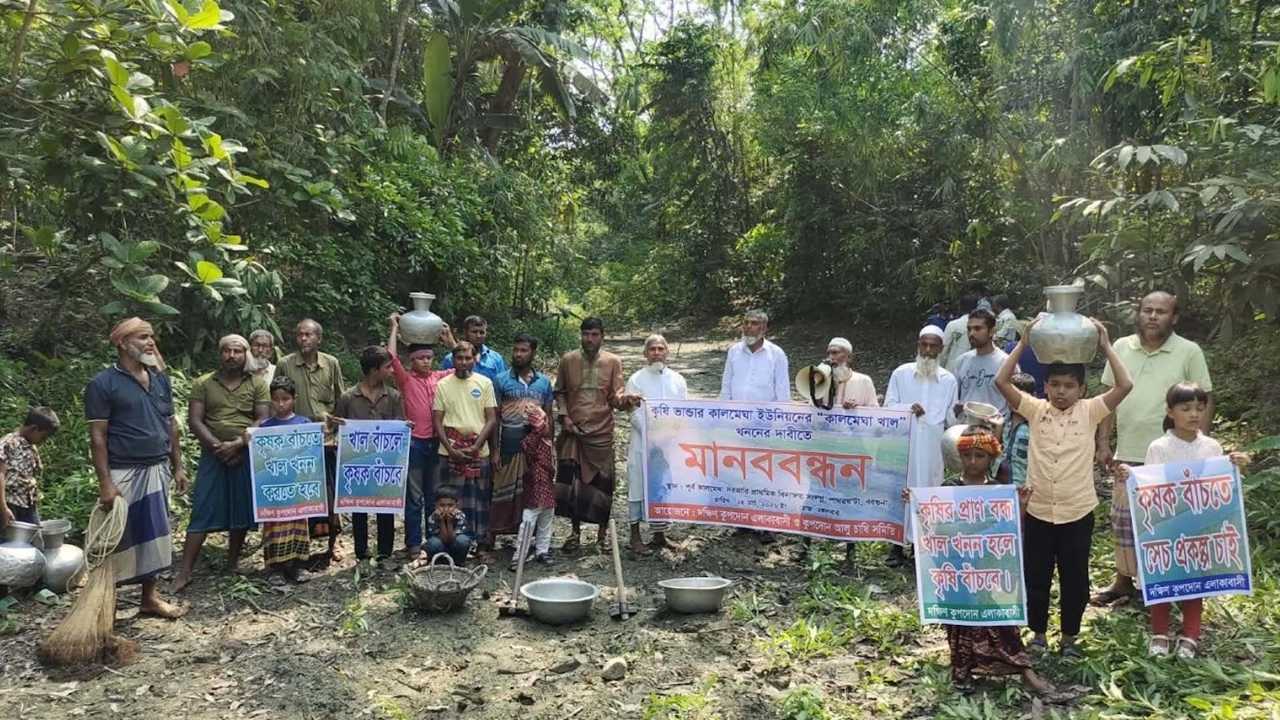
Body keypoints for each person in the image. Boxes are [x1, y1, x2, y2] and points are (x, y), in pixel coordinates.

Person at [994, 315, 1132, 658]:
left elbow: (1125, 386)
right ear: (1045, 387)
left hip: (1077, 511)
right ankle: (1038, 635)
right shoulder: (1035, 410)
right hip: (1039, 510)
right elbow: (1001, 380)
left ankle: (1069, 638)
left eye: (1069, 386)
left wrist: (1105, 345)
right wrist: (1024, 344)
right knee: (1037, 576)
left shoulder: (1090, 411)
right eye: (1054, 384)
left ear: (1081, 389)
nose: (1061, 391)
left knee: (1075, 579)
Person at [904, 427, 1049, 694]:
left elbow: (1010, 531)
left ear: (991, 458)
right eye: (967, 455)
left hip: (987, 569)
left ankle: (1024, 669)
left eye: (979, 456)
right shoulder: (948, 488)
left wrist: (1023, 506)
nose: (972, 462)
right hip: (956, 569)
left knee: (1001, 620)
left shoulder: (997, 490)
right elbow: (936, 528)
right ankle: (964, 672)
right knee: (960, 623)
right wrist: (917, 506)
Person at [1092, 291, 1214, 607]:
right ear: (1139, 313)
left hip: (1175, 454)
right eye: (1147, 310)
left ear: (1173, 318)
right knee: (1124, 520)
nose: (1153, 316)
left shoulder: (1189, 351)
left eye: (1161, 311)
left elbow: (1204, 399)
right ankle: (1123, 582)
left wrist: (1201, 449)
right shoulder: (1121, 347)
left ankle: (1165, 583)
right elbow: (1109, 397)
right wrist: (1104, 443)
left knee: (1168, 520)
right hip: (1129, 452)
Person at [1114, 382, 1251, 659]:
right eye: (1185, 408)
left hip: (1199, 526)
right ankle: (1160, 633)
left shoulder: (1212, 447)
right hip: (1167, 525)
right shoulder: (1159, 447)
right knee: (1163, 576)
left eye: (1200, 408)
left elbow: (1221, 486)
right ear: (1170, 411)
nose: (1194, 414)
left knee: (1194, 579)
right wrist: (1130, 476)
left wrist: (1236, 464)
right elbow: (1149, 487)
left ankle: (1190, 634)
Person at [85, 317, 188, 618]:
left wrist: (178, 466)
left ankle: (150, 598)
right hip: (122, 471)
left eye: (151, 336)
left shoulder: (160, 379)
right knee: (115, 538)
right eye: (143, 337)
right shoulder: (103, 384)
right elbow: (98, 436)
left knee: (154, 534)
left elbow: (172, 425)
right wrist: (105, 483)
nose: (151, 342)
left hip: (157, 467)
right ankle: (106, 605)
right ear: (123, 343)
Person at [173, 334, 269, 592]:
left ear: (245, 355)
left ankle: (233, 562)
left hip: (244, 452)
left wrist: (238, 443)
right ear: (220, 354)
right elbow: (195, 420)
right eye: (227, 351)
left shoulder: (257, 384)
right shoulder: (204, 383)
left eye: (237, 351)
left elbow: (261, 419)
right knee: (202, 508)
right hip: (212, 454)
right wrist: (219, 447)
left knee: (241, 507)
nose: (232, 356)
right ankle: (185, 572)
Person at [555, 317, 640, 550]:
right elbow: (559, 392)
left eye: (594, 334)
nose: (589, 339)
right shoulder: (568, 360)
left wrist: (626, 400)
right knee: (573, 486)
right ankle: (574, 535)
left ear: (602, 335)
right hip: (573, 432)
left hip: (601, 433)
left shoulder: (613, 361)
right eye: (585, 334)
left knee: (602, 485)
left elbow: (616, 396)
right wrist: (565, 416)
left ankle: (602, 537)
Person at [884, 326, 959, 566]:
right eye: (923, 345)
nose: (927, 351)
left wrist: (957, 412)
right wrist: (908, 408)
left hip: (932, 447)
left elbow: (950, 419)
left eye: (933, 346)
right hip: (905, 444)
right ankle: (895, 547)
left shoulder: (948, 380)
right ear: (918, 345)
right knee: (900, 491)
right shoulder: (901, 373)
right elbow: (888, 406)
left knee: (929, 492)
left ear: (941, 349)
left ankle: (920, 547)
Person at [276, 319, 346, 561]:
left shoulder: (331, 364)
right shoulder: (285, 364)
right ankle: (299, 546)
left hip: (326, 440)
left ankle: (333, 544)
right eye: (299, 334)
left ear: (319, 339)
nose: (303, 338)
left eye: (308, 334)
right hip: (298, 443)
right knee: (302, 494)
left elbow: (340, 400)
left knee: (330, 494)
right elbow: (277, 398)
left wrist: (337, 430)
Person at [332, 346, 406, 569]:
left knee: (385, 508)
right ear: (374, 370)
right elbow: (338, 427)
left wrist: (404, 427)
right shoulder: (348, 397)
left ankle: (385, 554)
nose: (392, 371)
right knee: (359, 508)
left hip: (385, 464)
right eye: (387, 367)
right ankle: (362, 555)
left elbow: (399, 426)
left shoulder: (393, 396)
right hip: (358, 464)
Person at [387, 313, 454, 559]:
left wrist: (450, 339)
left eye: (429, 358)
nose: (426, 362)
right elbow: (391, 358)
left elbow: (464, 364)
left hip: (436, 443)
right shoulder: (406, 380)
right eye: (421, 358)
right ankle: (414, 542)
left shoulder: (439, 378)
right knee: (414, 497)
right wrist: (394, 327)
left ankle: (432, 540)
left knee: (432, 494)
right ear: (412, 361)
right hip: (414, 443)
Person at [434, 341, 499, 563]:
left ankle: (481, 547)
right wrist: (451, 449)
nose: (463, 362)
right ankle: (451, 547)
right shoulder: (443, 385)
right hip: (449, 451)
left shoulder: (485, 383)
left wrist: (477, 446)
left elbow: (491, 419)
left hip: (478, 450)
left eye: (467, 358)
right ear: (453, 360)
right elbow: (438, 420)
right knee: (450, 500)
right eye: (459, 358)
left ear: (475, 359)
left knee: (480, 500)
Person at [246, 375, 314, 584]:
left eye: (285, 399)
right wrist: (250, 438)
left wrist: (318, 433)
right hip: (273, 488)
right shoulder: (264, 427)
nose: (281, 404)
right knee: (274, 526)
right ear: (271, 400)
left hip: (296, 486)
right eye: (276, 399)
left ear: (295, 399)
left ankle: (298, 566)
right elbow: (260, 456)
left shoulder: (305, 424)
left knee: (298, 525)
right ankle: (276, 569)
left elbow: (311, 454)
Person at [625, 334, 687, 555]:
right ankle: (635, 537)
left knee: (661, 486)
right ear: (645, 353)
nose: (657, 352)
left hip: (667, 446)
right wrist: (653, 437)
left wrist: (669, 438)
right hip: (642, 443)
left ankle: (660, 535)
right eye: (652, 349)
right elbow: (633, 413)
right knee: (637, 485)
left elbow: (682, 412)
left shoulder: (678, 380)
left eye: (661, 348)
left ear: (667, 352)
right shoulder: (636, 379)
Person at [490, 333, 554, 541]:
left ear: (533, 353)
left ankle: (529, 538)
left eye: (523, 350)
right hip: (509, 444)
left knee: (532, 491)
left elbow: (549, 416)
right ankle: (495, 536)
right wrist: (495, 451)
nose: (518, 354)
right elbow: (495, 418)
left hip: (535, 449)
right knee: (502, 491)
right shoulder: (501, 380)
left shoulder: (543, 383)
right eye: (516, 350)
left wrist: (550, 448)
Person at [0, 407, 60, 527]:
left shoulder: (30, 445)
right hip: (10, 503)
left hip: (27, 503)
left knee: (34, 540)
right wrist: (3, 508)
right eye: (43, 437)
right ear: (34, 429)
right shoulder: (8, 444)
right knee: (9, 542)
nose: (44, 441)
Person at [514, 405, 557, 567]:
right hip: (536, 486)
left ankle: (542, 550)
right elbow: (532, 443)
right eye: (543, 422)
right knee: (529, 521)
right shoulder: (531, 441)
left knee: (546, 518)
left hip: (547, 485)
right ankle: (519, 556)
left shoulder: (546, 440)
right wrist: (538, 427)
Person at [719, 309, 790, 403]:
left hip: (765, 414)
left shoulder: (776, 354)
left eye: (754, 323)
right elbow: (726, 384)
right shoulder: (734, 351)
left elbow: (782, 389)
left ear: (764, 328)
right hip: (736, 413)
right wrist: (724, 406)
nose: (749, 326)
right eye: (746, 323)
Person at [951, 309, 1011, 419]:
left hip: (995, 429)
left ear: (992, 331)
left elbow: (1013, 400)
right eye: (969, 329)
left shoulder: (1005, 362)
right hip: (966, 429)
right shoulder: (962, 361)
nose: (972, 333)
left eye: (978, 329)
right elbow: (954, 398)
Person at [997, 373, 1036, 486]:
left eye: (1020, 397)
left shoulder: (1035, 425)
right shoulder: (1003, 421)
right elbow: (995, 450)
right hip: (999, 482)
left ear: (1033, 397)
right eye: (1011, 396)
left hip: (1023, 484)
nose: (1014, 401)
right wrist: (998, 427)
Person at [440, 316, 508, 381]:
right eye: (474, 332)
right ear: (465, 332)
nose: (478, 336)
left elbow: (503, 383)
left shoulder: (496, 358)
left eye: (482, 332)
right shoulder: (450, 359)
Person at [826, 338, 879, 409]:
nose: (831, 357)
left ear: (848, 356)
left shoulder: (864, 381)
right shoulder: (821, 380)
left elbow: (874, 411)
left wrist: (856, 408)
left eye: (835, 353)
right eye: (828, 353)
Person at [426, 486, 471, 565]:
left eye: (450, 505)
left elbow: (451, 539)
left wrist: (449, 522)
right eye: (442, 505)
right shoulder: (433, 517)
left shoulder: (460, 516)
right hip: (440, 547)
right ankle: (438, 562)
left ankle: (458, 562)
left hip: (455, 547)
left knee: (463, 541)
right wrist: (442, 521)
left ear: (456, 505)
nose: (446, 509)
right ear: (436, 505)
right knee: (432, 543)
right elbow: (444, 539)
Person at [939, 297, 978, 370]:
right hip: (973, 368)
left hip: (953, 368)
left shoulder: (953, 325)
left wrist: (940, 368)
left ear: (960, 308)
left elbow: (944, 350)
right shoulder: (982, 326)